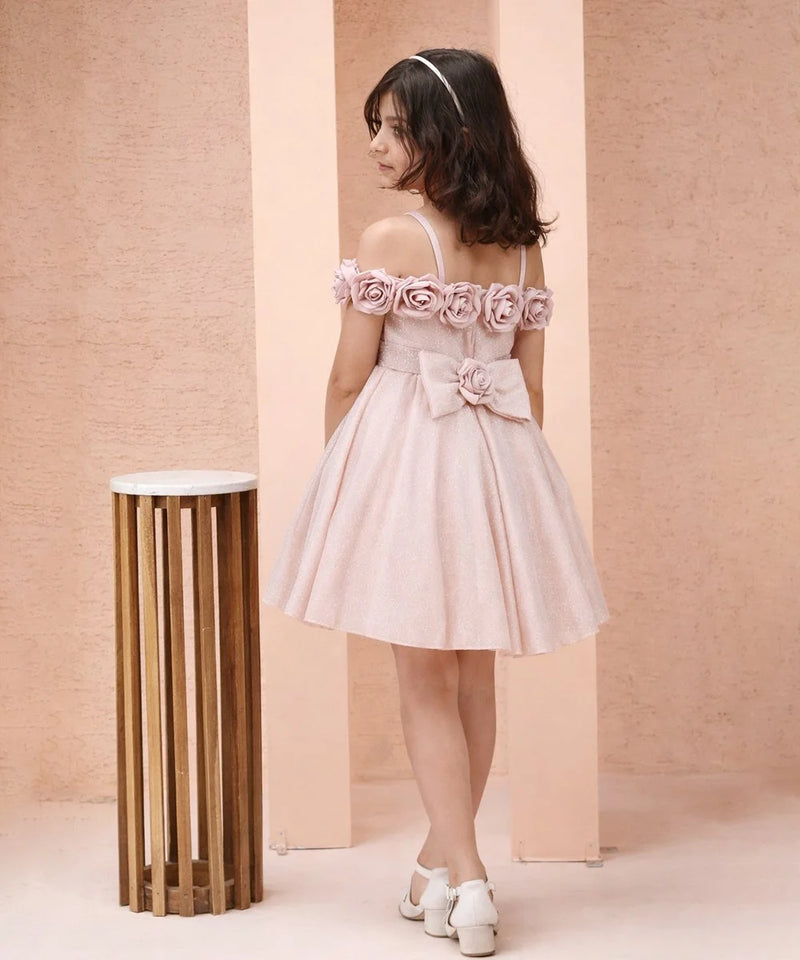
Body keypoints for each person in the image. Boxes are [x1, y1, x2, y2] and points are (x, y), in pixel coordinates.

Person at [262, 47, 610, 957]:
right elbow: (529, 391)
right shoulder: (524, 248)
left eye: (396, 127)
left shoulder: (393, 241)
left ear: (447, 134)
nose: (378, 145)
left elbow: (347, 377)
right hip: (497, 459)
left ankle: (472, 883)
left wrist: (348, 478)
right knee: (473, 675)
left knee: (424, 678)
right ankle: (437, 865)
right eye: (373, 125)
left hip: (410, 459)